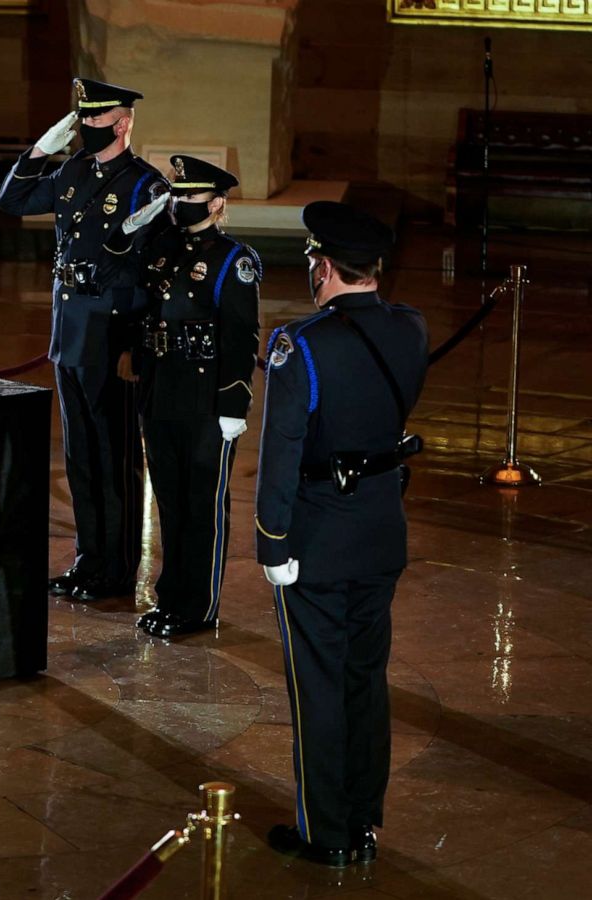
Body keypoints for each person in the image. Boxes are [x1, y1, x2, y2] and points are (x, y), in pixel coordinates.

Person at [255, 201, 427, 867]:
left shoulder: (301, 344)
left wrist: (274, 542)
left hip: (318, 542)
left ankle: (324, 832)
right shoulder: (410, 329)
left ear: (322, 266)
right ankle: (363, 821)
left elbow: (282, 452)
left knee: (318, 686)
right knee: (365, 680)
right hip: (382, 532)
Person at [0, 77, 168, 602]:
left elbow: (153, 273)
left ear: (124, 122)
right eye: (82, 118)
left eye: (95, 119)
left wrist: (131, 346)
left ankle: (115, 569)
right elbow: (13, 199)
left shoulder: (146, 186)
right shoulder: (72, 170)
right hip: (70, 331)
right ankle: (88, 561)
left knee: (114, 456)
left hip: (111, 336)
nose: (86, 126)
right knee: (80, 456)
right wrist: (43, 147)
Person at [122, 156, 261, 638]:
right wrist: (142, 220)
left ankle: (198, 607)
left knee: (203, 504)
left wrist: (233, 406)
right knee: (170, 500)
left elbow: (242, 336)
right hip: (161, 388)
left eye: (191, 196)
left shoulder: (232, 259)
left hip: (205, 397)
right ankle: (171, 597)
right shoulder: (161, 245)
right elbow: (120, 251)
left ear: (217, 202)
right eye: (176, 195)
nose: (180, 203)